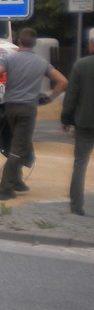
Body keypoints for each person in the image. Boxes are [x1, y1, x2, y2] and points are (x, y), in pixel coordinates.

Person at [0, 27, 66, 200]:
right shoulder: (41, 63)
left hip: (10, 107)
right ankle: (5, 188)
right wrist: (49, 98)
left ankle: (17, 180)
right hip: (28, 108)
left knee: (19, 144)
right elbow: (63, 81)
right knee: (19, 147)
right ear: (34, 44)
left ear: (18, 42)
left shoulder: (9, 59)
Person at [61, 27, 94, 216]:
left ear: (91, 44)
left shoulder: (81, 66)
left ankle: (76, 206)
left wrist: (66, 118)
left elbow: (71, 96)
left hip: (84, 122)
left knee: (80, 163)